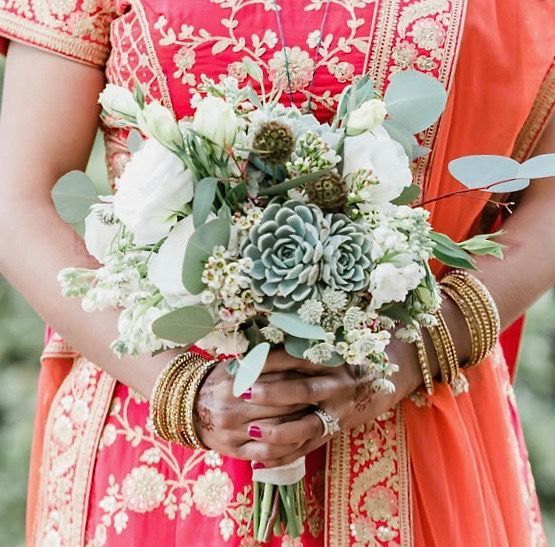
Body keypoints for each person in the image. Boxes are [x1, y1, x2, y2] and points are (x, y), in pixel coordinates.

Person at [0, 0, 553, 545]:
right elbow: (19, 201)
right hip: (159, 440)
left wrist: (411, 355)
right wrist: (180, 388)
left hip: (414, 423)